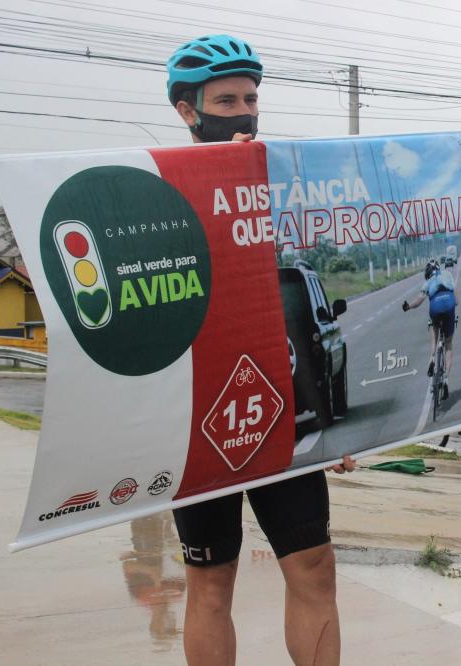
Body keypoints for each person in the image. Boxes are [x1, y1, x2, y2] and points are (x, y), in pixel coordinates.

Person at [166, 34, 354, 666]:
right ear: (188, 111)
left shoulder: (282, 183)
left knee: (315, 568)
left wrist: (327, 427)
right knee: (211, 583)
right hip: (202, 420)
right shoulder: (162, 189)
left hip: (281, 412)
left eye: (251, 98)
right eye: (226, 100)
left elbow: (290, 312)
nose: (243, 112)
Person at [402, 259, 457, 399]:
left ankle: (432, 358)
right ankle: (446, 380)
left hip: (435, 307)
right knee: (449, 345)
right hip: (449, 303)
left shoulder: (428, 282)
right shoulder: (448, 276)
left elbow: (418, 301)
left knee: (434, 328)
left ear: (428, 273)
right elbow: (456, 301)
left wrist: (408, 306)